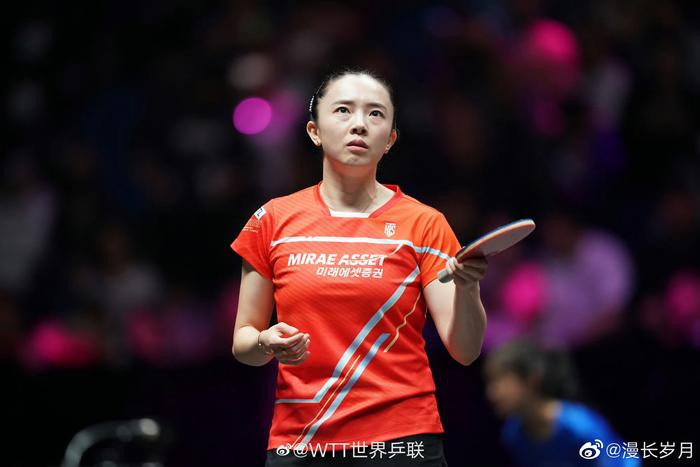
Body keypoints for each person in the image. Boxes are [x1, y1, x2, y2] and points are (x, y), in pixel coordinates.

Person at [230, 69, 488, 466]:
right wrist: (265, 342)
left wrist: (468, 289)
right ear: (315, 131)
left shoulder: (424, 224)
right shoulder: (272, 221)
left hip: (401, 440)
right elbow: (243, 343)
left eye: (375, 114)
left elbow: (466, 351)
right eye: (343, 110)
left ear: (390, 140)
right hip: (303, 441)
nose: (359, 124)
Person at [483, 340, 641, 466]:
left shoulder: (579, 427)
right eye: (489, 383)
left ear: (531, 380)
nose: (492, 393)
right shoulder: (513, 435)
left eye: (500, 382)